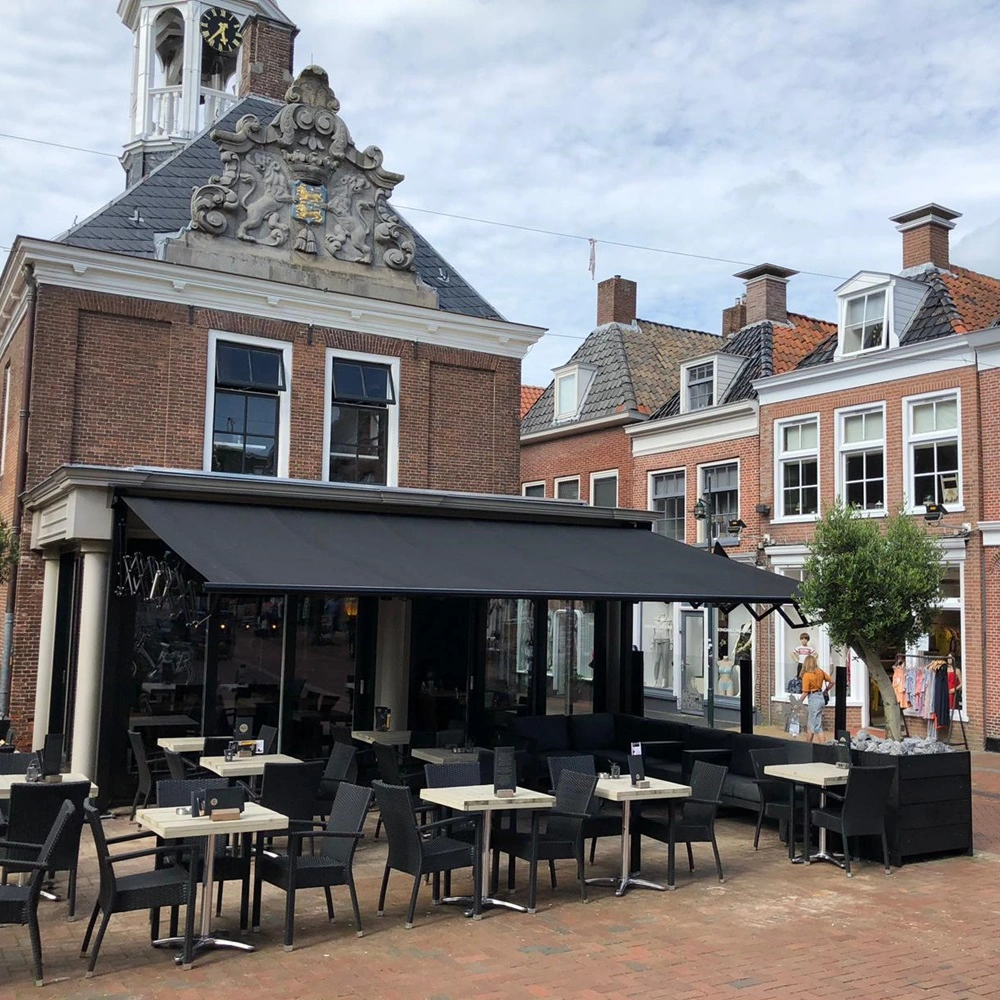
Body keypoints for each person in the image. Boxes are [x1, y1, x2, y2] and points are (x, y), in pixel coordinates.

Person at [798, 653, 833, 743]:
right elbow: (832, 681)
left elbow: (805, 692)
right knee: (811, 724)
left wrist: (798, 703)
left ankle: (824, 746)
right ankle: (807, 746)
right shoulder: (820, 671)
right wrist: (825, 691)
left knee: (817, 726)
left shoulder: (807, 675)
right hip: (821, 697)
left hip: (813, 698)